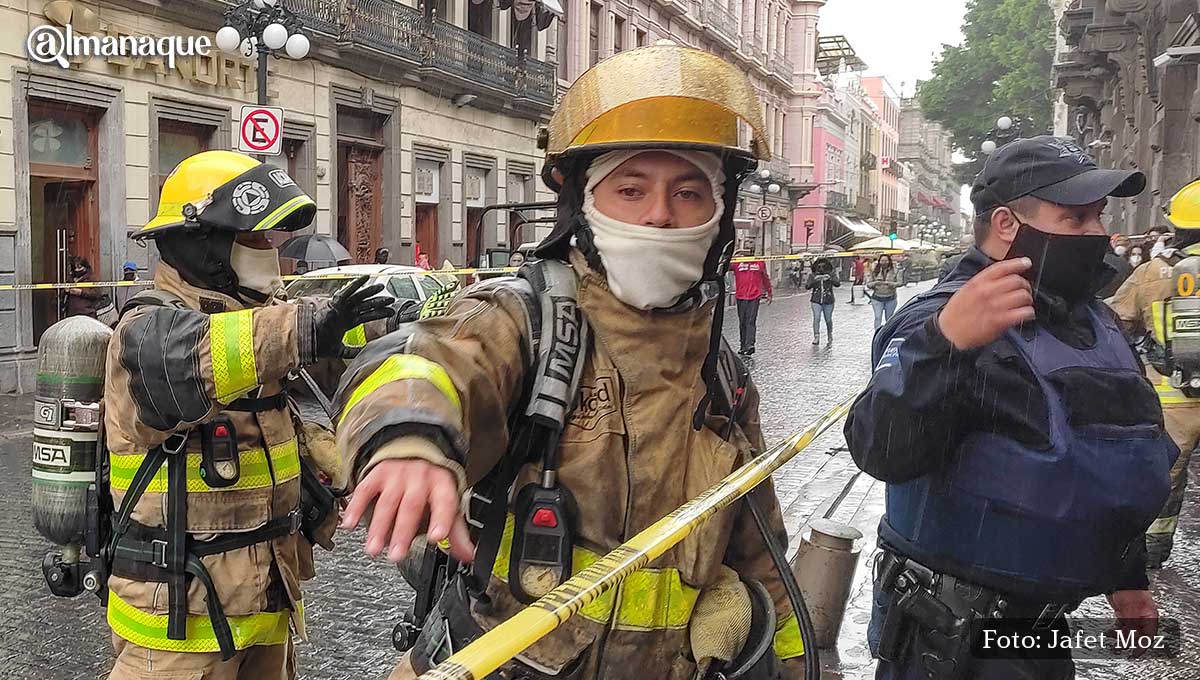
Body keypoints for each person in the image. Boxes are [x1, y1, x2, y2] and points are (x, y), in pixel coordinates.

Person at [334, 43, 808, 680]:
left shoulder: (722, 381)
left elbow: (762, 553)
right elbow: (426, 361)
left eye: (689, 193)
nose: (660, 215)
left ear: (720, 215)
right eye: (631, 189)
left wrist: (791, 654)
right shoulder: (525, 321)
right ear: (582, 202)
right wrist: (411, 439)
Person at [846, 136, 1176, 680]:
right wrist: (945, 342)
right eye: (1075, 218)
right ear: (1005, 225)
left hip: (1041, 631)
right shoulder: (939, 317)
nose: (1098, 235)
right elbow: (880, 448)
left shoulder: (1093, 320)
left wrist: (1129, 580)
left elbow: (1117, 449)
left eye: (1098, 217)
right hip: (948, 637)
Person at [103, 151, 393, 679]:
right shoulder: (146, 330)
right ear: (204, 243)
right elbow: (201, 356)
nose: (271, 251)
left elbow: (322, 377)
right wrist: (306, 328)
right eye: (255, 238)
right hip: (178, 621)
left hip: (264, 596)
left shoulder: (254, 316)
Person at [1108, 180, 1200, 568]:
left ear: (1177, 226)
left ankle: (1149, 557)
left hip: (1172, 392)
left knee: (1164, 475)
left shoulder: (1152, 273)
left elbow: (1116, 321)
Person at [731, 247, 773, 356]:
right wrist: (735, 255)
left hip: (754, 296)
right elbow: (725, 266)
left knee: (750, 321)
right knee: (742, 322)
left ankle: (750, 345)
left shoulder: (759, 263)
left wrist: (769, 292)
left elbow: (765, 278)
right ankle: (743, 345)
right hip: (741, 296)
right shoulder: (737, 263)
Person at [806, 257, 839, 345]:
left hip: (828, 300)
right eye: (819, 267)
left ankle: (829, 334)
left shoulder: (831, 274)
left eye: (823, 267)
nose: (821, 269)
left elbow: (837, 284)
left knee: (828, 319)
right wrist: (814, 280)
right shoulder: (812, 275)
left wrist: (830, 278)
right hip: (816, 300)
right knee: (816, 318)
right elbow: (807, 286)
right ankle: (816, 336)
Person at [865, 254, 899, 330]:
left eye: (886, 261)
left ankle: (887, 333)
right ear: (879, 261)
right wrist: (876, 283)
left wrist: (891, 284)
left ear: (889, 261)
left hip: (891, 298)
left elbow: (900, 282)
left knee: (889, 318)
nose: (884, 262)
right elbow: (868, 284)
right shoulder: (874, 270)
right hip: (877, 298)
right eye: (882, 261)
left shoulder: (895, 270)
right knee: (877, 317)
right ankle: (877, 333)